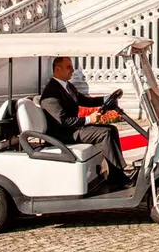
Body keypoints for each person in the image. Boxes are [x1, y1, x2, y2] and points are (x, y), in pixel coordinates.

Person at [40, 56, 131, 187]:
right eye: (69, 67)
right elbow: (63, 121)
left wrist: (106, 99)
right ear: (57, 69)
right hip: (64, 133)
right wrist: (89, 119)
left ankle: (117, 172)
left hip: (73, 129)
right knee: (104, 133)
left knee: (112, 129)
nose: (72, 70)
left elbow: (85, 100)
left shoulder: (67, 86)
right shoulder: (51, 93)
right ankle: (118, 178)